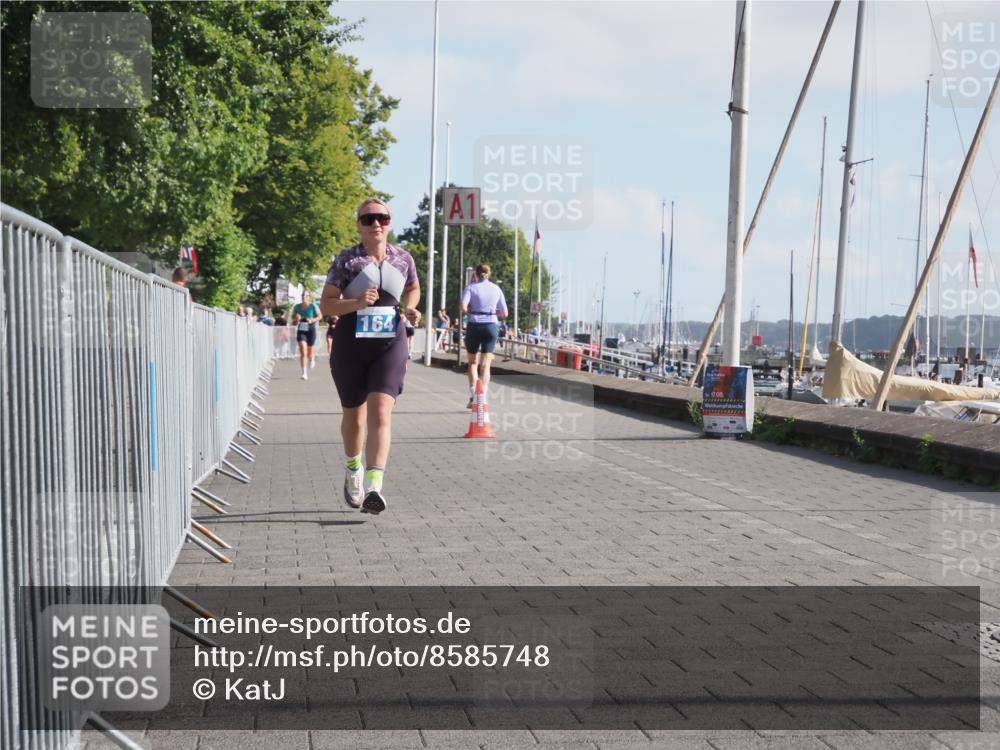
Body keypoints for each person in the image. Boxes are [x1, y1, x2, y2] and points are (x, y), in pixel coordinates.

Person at [320, 198, 421, 515]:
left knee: (380, 412)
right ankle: (354, 471)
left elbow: (414, 287)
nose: (376, 223)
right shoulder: (347, 261)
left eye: (383, 218)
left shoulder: (403, 258)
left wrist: (411, 307)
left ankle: (375, 486)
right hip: (351, 341)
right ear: (359, 225)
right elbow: (326, 305)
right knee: (355, 416)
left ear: (390, 222)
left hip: (390, 342)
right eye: (368, 219)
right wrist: (355, 303)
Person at [460, 263, 508, 408]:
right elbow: (505, 313)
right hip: (491, 325)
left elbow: (462, 306)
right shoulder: (496, 289)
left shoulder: (471, 288)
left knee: (473, 362)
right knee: (486, 364)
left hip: (474, 324)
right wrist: (494, 313)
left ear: (475, 273)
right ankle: (483, 397)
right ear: (489, 274)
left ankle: (473, 395)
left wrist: (471, 313)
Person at [293, 291, 321, 379]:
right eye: (302, 295)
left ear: (309, 297)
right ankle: (304, 373)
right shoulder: (297, 307)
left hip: (311, 328)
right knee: (303, 351)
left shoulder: (313, 306)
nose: (303, 297)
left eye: (305, 296)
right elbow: (293, 321)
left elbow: (320, 316)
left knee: (309, 352)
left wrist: (312, 320)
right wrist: (296, 319)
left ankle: (312, 358)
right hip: (301, 329)